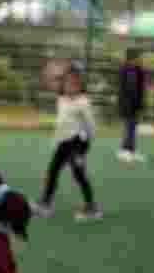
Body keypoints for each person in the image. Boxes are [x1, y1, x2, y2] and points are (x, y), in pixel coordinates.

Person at [33, 64, 102, 221]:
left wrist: (83, 149)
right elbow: (61, 123)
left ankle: (92, 207)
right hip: (63, 143)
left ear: (80, 85)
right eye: (68, 83)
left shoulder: (83, 102)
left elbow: (91, 126)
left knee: (79, 174)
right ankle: (45, 204)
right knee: (52, 171)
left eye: (75, 83)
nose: (71, 86)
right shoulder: (62, 99)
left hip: (77, 143)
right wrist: (55, 140)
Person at [117, 48, 147, 164]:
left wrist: (140, 104)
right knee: (129, 127)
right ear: (132, 59)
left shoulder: (136, 69)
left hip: (133, 104)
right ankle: (125, 151)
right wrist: (137, 104)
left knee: (132, 127)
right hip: (128, 103)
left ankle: (130, 150)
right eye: (139, 57)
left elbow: (138, 87)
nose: (141, 59)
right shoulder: (129, 70)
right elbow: (131, 88)